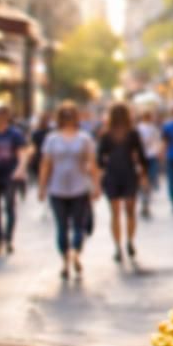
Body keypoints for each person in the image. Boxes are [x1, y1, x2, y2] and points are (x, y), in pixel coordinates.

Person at [38, 101, 98, 281]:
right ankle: (65, 260)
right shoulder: (52, 139)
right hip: (57, 189)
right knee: (62, 226)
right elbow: (46, 165)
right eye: (65, 116)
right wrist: (42, 187)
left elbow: (92, 163)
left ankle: (76, 254)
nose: (68, 119)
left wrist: (95, 184)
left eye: (70, 115)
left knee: (79, 226)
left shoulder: (84, 138)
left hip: (79, 188)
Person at [97, 102, 148, 263]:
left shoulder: (106, 135)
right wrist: (143, 175)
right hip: (128, 174)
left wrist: (106, 166)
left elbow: (99, 159)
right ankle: (129, 242)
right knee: (130, 212)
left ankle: (118, 246)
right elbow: (141, 157)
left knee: (115, 213)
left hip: (113, 175)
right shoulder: (132, 133)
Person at [0, 104, 27, 254]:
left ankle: (8, 238)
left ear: (7, 116)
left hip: (9, 174)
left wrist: (20, 170)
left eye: (2, 114)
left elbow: (22, 153)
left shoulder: (14, 134)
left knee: (9, 206)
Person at [136, 108, 163, 219]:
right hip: (146, 157)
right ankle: (144, 200)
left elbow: (158, 142)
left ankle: (145, 200)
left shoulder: (152, 129)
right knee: (145, 180)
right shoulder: (139, 129)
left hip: (150, 156)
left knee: (148, 180)